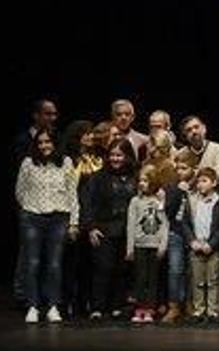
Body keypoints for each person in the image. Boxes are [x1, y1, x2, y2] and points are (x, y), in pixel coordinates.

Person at [15, 129, 79, 324]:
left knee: (54, 264)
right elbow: (20, 191)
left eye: (48, 142)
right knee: (33, 263)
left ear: (55, 143)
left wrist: (74, 222)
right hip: (33, 217)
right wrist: (29, 209)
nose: (44, 146)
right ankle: (33, 306)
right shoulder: (28, 163)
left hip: (59, 217)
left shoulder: (66, 162)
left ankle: (52, 306)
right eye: (41, 142)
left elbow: (72, 194)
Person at [81, 139, 137, 319]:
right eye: (112, 155)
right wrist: (90, 228)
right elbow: (87, 203)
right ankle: (97, 307)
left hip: (128, 231)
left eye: (119, 155)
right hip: (103, 229)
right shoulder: (98, 177)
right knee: (103, 268)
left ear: (127, 156)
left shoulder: (136, 176)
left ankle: (116, 306)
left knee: (121, 270)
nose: (115, 158)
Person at [125, 166, 169, 324]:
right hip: (139, 245)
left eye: (146, 180)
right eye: (140, 181)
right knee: (140, 278)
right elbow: (130, 225)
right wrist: (130, 248)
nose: (142, 183)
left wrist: (163, 245)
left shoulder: (159, 201)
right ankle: (139, 308)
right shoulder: (135, 201)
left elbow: (164, 224)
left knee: (152, 278)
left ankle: (150, 308)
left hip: (154, 245)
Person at [183, 167, 219, 323]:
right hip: (196, 245)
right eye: (199, 181)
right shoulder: (192, 200)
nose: (200, 184)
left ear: (214, 183)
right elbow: (186, 223)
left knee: (212, 279)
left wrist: (212, 244)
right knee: (197, 280)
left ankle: (212, 310)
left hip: (211, 247)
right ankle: (199, 310)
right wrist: (192, 241)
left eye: (204, 181)